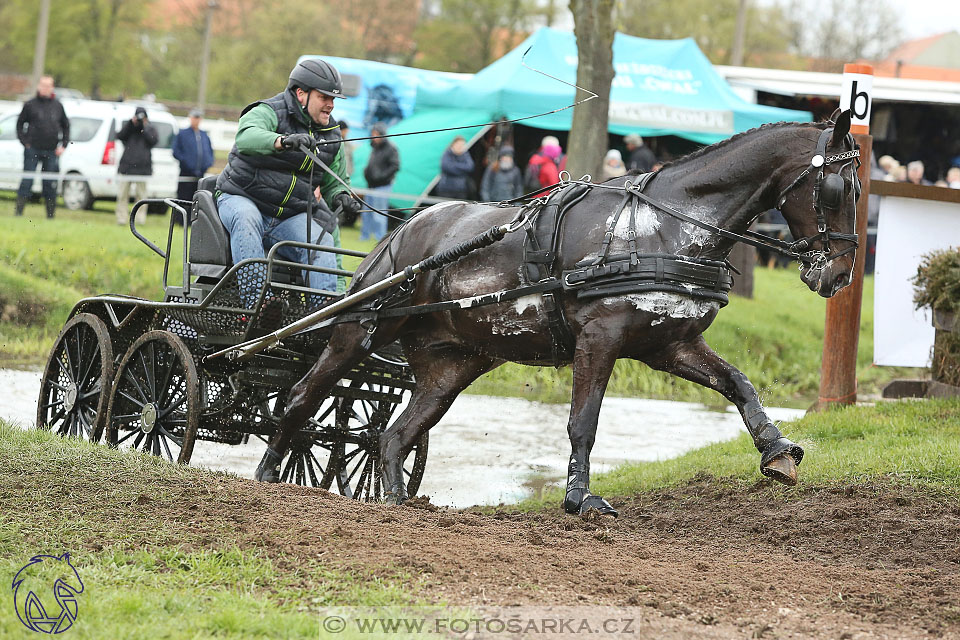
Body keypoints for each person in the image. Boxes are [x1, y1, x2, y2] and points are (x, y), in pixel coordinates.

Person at [215, 58, 362, 304]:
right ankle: (258, 305)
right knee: (246, 218)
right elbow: (246, 136)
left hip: (288, 215)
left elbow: (334, 180)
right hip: (241, 198)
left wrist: (341, 196)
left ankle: (323, 318)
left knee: (322, 242)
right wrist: (281, 141)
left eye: (334, 99)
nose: (330, 105)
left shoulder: (331, 135)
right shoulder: (270, 111)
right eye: (324, 97)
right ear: (301, 93)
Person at [15, 75, 69, 218]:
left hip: (51, 151)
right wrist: (25, 143)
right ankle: (18, 213)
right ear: (39, 86)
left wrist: (63, 145)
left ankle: (50, 217)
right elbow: (20, 125)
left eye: (48, 85)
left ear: (52, 87)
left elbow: (66, 126)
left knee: (50, 184)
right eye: (43, 85)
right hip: (32, 149)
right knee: (27, 181)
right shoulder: (30, 104)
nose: (45, 88)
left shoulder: (58, 106)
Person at [116, 106, 158, 225]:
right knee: (123, 195)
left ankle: (140, 219)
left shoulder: (150, 128)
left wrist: (144, 127)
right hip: (127, 166)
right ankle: (122, 218)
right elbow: (120, 136)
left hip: (142, 168)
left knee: (141, 195)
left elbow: (153, 141)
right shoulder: (130, 128)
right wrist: (131, 124)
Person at [361, 122, 399, 242]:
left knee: (380, 214)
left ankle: (380, 238)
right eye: (373, 134)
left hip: (383, 186)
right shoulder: (374, 147)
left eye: (376, 134)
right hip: (371, 185)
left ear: (382, 135)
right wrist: (367, 173)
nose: (374, 136)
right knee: (366, 213)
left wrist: (381, 177)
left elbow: (395, 166)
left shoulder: (391, 148)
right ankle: (364, 236)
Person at [171, 108, 214, 209]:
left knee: (197, 199)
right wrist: (186, 163)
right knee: (184, 198)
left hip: (200, 174)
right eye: (195, 117)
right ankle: (181, 221)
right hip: (186, 173)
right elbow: (176, 151)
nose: (196, 120)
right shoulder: (182, 134)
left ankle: (194, 222)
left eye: (198, 118)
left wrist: (208, 163)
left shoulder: (204, 135)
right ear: (190, 118)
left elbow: (210, 151)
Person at [436, 135, 475, 199]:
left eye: (463, 145)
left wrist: (455, 166)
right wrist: (462, 170)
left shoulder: (465, 154)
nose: (461, 147)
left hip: (461, 189)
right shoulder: (446, 153)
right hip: (446, 190)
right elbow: (446, 167)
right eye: (459, 145)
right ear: (453, 144)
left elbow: (470, 167)